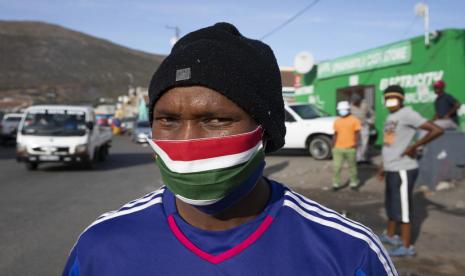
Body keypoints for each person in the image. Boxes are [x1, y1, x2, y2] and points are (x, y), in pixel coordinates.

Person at [63, 23, 397, 275]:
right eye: (167, 119)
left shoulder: (347, 252)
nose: (185, 141)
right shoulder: (101, 246)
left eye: (216, 119)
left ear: (265, 131)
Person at [378, 85, 443, 257]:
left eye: (394, 98)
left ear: (401, 99)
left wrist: (414, 146)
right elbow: (390, 143)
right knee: (391, 205)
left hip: (403, 169)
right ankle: (391, 236)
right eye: (387, 98)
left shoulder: (407, 114)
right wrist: (383, 166)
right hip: (392, 168)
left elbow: (437, 130)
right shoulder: (392, 117)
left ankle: (407, 246)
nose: (390, 102)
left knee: (403, 209)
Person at [332, 101, 361, 191]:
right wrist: (333, 145)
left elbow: (357, 133)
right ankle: (336, 184)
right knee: (336, 167)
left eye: (344, 110)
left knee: (352, 167)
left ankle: (353, 183)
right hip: (338, 148)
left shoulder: (354, 120)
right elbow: (335, 133)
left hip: (350, 148)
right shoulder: (337, 121)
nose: (342, 111)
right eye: (340, 110)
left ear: (348, 109)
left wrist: (356, 144)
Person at [350, 93, 375, 163]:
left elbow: (372, 113)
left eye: (355, 101)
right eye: (353, 101)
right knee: (357, 143)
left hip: (363, 126)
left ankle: (363, 158)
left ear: (359, 100)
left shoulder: (365, 104)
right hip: (354, 127)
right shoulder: (351, 105)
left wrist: (371, 122)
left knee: (364, 143)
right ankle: (358, 159)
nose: (354, 103)